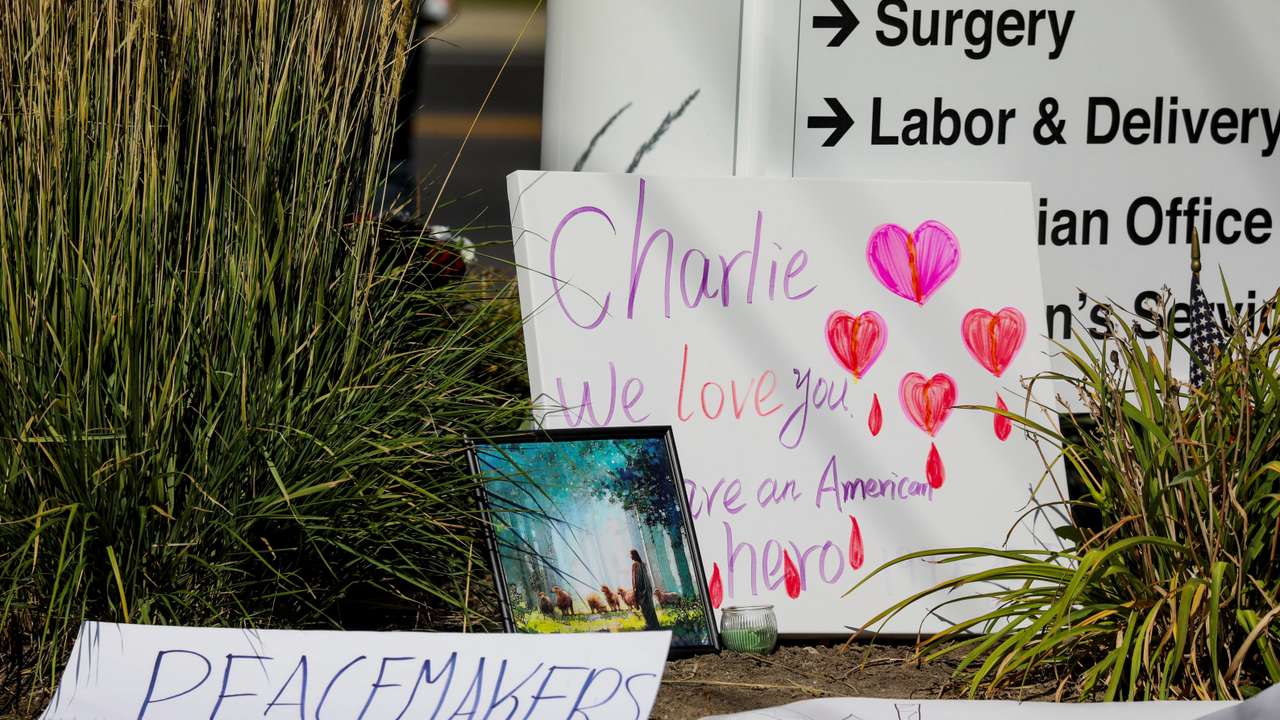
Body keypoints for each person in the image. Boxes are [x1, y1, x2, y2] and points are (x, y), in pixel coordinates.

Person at [630, 549, 661, 630]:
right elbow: (646, 578)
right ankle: (654, 624)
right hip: (647, 589)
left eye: (631, 554)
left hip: (640, 590)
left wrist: (635, 590)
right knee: (650, 607)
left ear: (634, 555)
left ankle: (649, 625)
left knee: (645, 608)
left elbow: (635, 579)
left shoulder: (635, 565)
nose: (630, 556)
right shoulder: (643, 564)